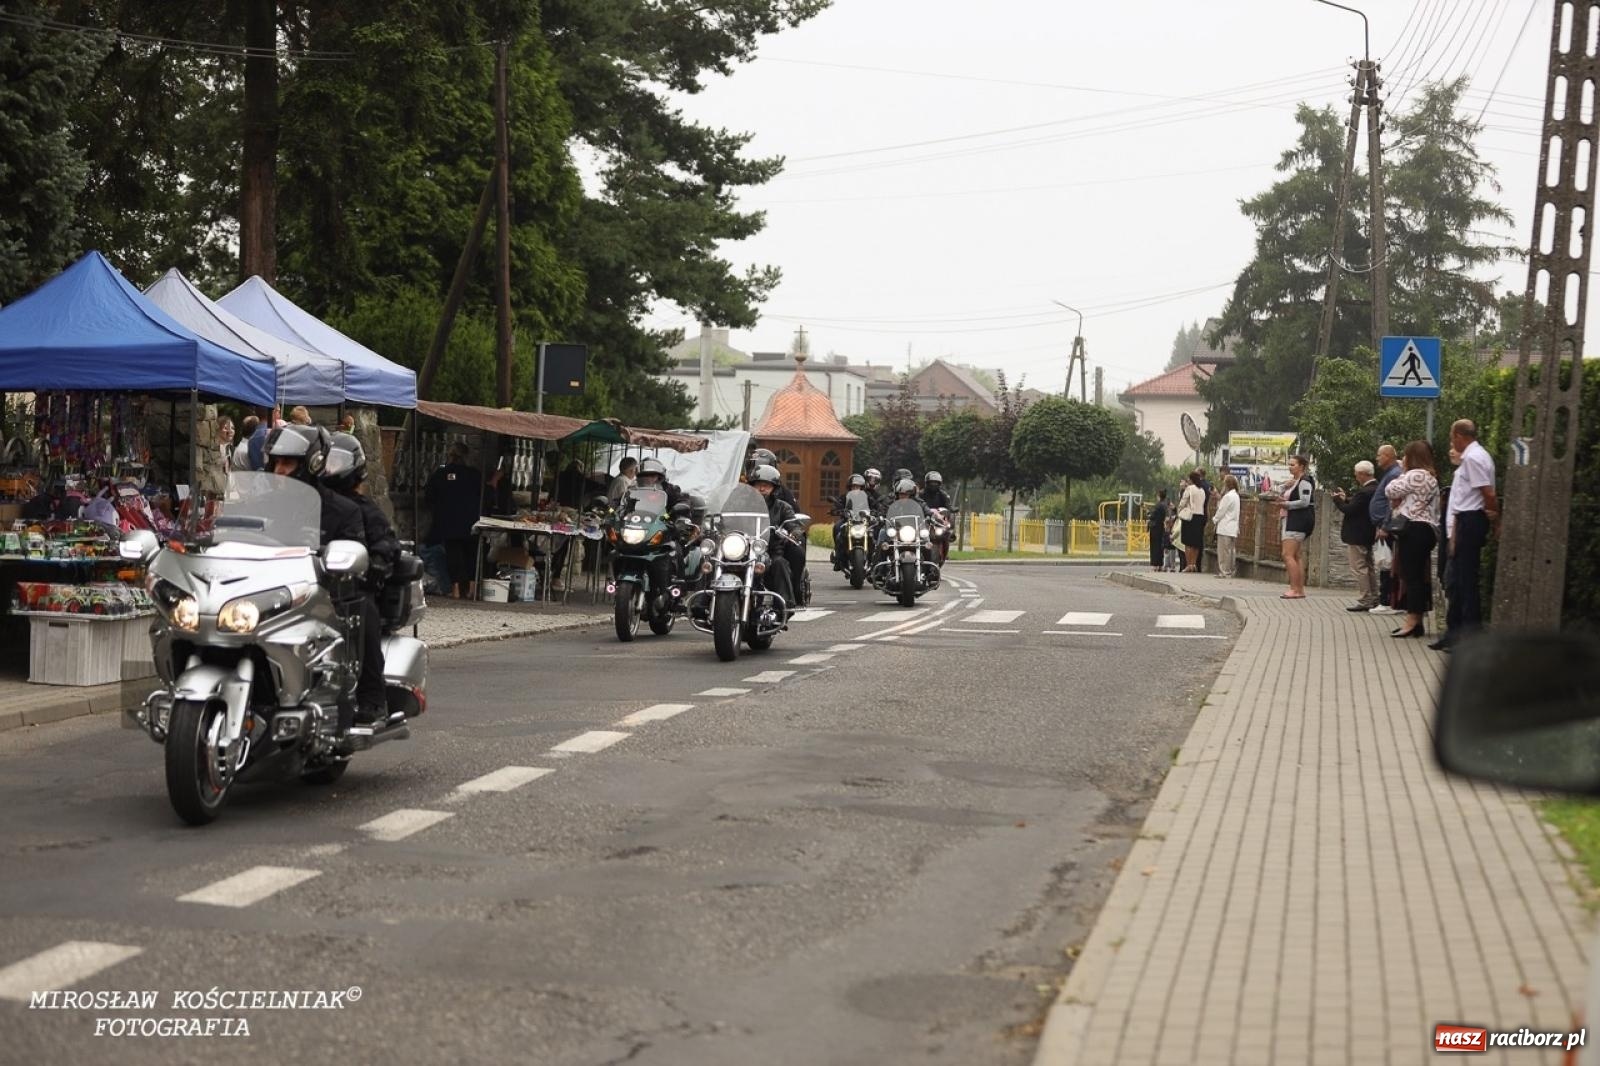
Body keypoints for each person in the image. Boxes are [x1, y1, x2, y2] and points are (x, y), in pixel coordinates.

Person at [266, 424, 367, 740]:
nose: (279, 471)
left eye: (288, 463)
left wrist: (334, 562)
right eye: (276, 463)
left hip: (322, 599)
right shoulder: (260, 504)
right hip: (271, 596)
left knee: (364, 617)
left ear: (311, 463)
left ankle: (354, 702)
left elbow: (355, 553)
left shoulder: (342, 510)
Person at [323, 431, 398, 728]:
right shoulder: (308, 502)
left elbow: (386, 542)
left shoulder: (365, 509)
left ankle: (372, 697)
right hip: (307, 583)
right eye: (327, 460)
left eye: (338, 461)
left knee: (363, 613)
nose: (331, 467)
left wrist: (377, 561)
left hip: (349, 587)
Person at [1436, 419, 1498, 651]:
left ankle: (1469, 637)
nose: (1452, 442)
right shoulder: (1470, 458)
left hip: (1470, 520)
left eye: (1453, 437)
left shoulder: (1474, 458)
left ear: (1460, 436)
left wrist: (1495, 520)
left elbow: (1488, 494)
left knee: (1466, 582)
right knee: (1456, 582)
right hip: (1463, 521)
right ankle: (1453, 632)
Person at [1384, 440, 1441, 639]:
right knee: (1418, 576)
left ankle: (1412, 620)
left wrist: (1402, 472)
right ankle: (1416, 621)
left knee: (1412, 577)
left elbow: (1390, 490)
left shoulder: (1415, 475)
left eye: (1406, 455)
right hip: (1425, 530)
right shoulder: (1431, 477)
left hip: (1413, 529)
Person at [424, 442, 482, 599]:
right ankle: (471, 588)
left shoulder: (440, 474)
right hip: (471, 521)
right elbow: (485, 496)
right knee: (472, 554)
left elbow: (429, 496)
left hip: (448, 521)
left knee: (453, 555)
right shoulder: (475, 474)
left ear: (450, 456)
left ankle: (455, 589)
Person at [747, 463, 799, 617]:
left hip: (769, 550)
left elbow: (792, 523)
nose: (762, 489)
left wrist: (794, 533)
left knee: (780, 564)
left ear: (774, 488)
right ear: (752, 487)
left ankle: (785, 606)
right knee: (714, 561)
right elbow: (727, 517)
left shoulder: (782, 507)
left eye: (766, 486)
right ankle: (701, 603)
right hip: (743, 550)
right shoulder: (741, 503)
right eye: (758, 485)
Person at [1331, 460, 1380, 611]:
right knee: (1369, 566)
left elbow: (1350, 510)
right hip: (1367, 533)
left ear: (1363, 474)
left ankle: (1365, 599)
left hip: (1357, 534)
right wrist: (1346, 498)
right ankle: (1374, 597)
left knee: (1359, 567)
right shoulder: (1375, 488)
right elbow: (1357, 505)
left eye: (1357, 473)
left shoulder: (1364, 491)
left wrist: (1338, 501)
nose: (1355, 476)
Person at [1267, 454, 1315, 599]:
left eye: (1293, 464)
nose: (1290, 467)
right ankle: (1299, 589)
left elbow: (1305, 501)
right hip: (1293, 520)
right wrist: (1284, 491)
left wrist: (1286, 504)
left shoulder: (1304, 481)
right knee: (1296, 555)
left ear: (1301, 466)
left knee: (1287, 555)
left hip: (1296, 521)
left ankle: (1295, 589)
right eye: (1289, 464)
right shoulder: (1295, 481)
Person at [1369, 443, 1403, 615]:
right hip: (1383, 525)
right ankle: (1387, 600)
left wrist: (1384, 526)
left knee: (1387, 564)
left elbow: (1393, 503)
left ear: (1388, 456)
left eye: (1379, 455)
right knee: (1386, 563)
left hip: (1387, 527)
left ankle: (1387, 601)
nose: (1377, 458)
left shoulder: (1394, 474)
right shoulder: (1390, 474)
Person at [1176, 471, 1207, 573]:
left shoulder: (1189, 489)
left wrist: (1179, 510)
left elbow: (1183, 502)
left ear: (1192, 479)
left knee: (1187, 542)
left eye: (1189, 479)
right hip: (1200, 516)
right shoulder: (1202, 490)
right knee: (1196, 542)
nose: (1188, 481)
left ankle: (1189, 564)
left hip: (1190, 517)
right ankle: (1194, 564)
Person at [1214, 476, 1241, 577]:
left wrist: (1215, 519)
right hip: (1233, 527)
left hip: (1224, 527)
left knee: (1223, 551)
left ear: (1227, 485)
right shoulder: (1236, 496)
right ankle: (1230, 570)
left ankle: (1224, 571)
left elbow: (1221, 510)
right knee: (1230, 551)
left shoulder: (1228, 496)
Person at [1147, 489, 1170, 572]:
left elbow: (1152, 516)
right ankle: (1160, 564)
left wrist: (1148, 514)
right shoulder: (1165, 506)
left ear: (1159, 496)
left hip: (1155, 528)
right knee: (1160, 547)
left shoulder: (1157, 506)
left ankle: (1155, 565)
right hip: (1161, 527)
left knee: (1154, 547)